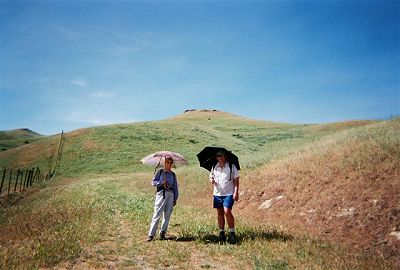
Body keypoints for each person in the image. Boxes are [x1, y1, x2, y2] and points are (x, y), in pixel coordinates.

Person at [209, 150, 240, 244]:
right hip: (217, 193)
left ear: (225, 156)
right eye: (218, 156)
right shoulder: (214, 167)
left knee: (227, 211)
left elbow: (236, 180)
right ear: (216, 157)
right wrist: (211, 179)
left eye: (222, 156)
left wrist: (236, 192)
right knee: (220, 212)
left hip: (229, 193)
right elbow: (210, 176)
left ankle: (232, 233)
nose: (220, 157)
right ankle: (221, 233)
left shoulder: (231, 166)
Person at [146, 156, 179, 241]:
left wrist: (175, 199)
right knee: (157, 214)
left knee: (167, 215)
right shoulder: (160, 172)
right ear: (164, 163)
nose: (169, 164)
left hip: (170, 195)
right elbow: (153, 182)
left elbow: (175, 187)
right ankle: (151, 235)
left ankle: (162, 233)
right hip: (161, 194)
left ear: (172, 164)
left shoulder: (173, 174)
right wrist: (161, 182)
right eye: (167, 162)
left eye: (170, 163)